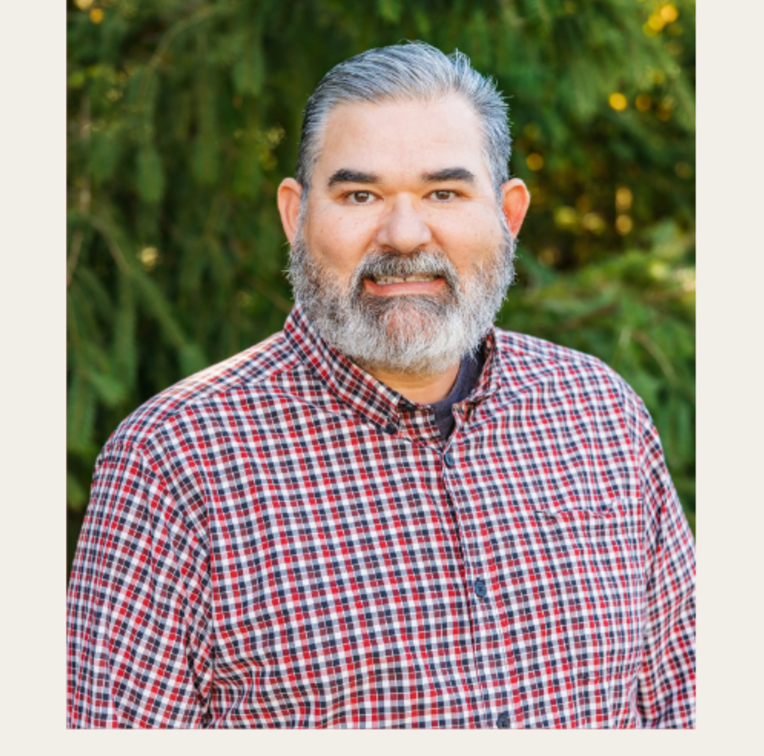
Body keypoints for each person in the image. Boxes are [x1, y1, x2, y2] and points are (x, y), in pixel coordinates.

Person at [66, 41, 696, 728]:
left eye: (445, 192)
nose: (403, 234)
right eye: (360, 194)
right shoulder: (175, 460)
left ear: (508, 216)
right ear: (295, 216)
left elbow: (685, 705)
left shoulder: (598, 413)